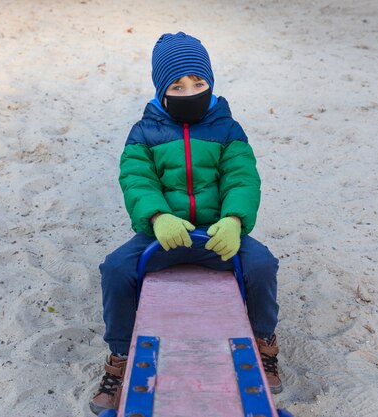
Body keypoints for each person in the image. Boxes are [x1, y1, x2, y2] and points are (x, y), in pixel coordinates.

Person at [90, 31, 281, 415]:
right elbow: (136, 180)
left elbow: (242, 178)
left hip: (216, 235)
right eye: (178, 85)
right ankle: (121, 355)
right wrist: (158, 217)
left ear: (211, 83)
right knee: (115, 269)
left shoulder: (228, 129)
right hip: (162, 236)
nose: (190, 90)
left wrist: (233, 220)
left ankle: (264, 341)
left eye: (199, 82)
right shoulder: (144, 132)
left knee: (262, 265)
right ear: (162, 90)